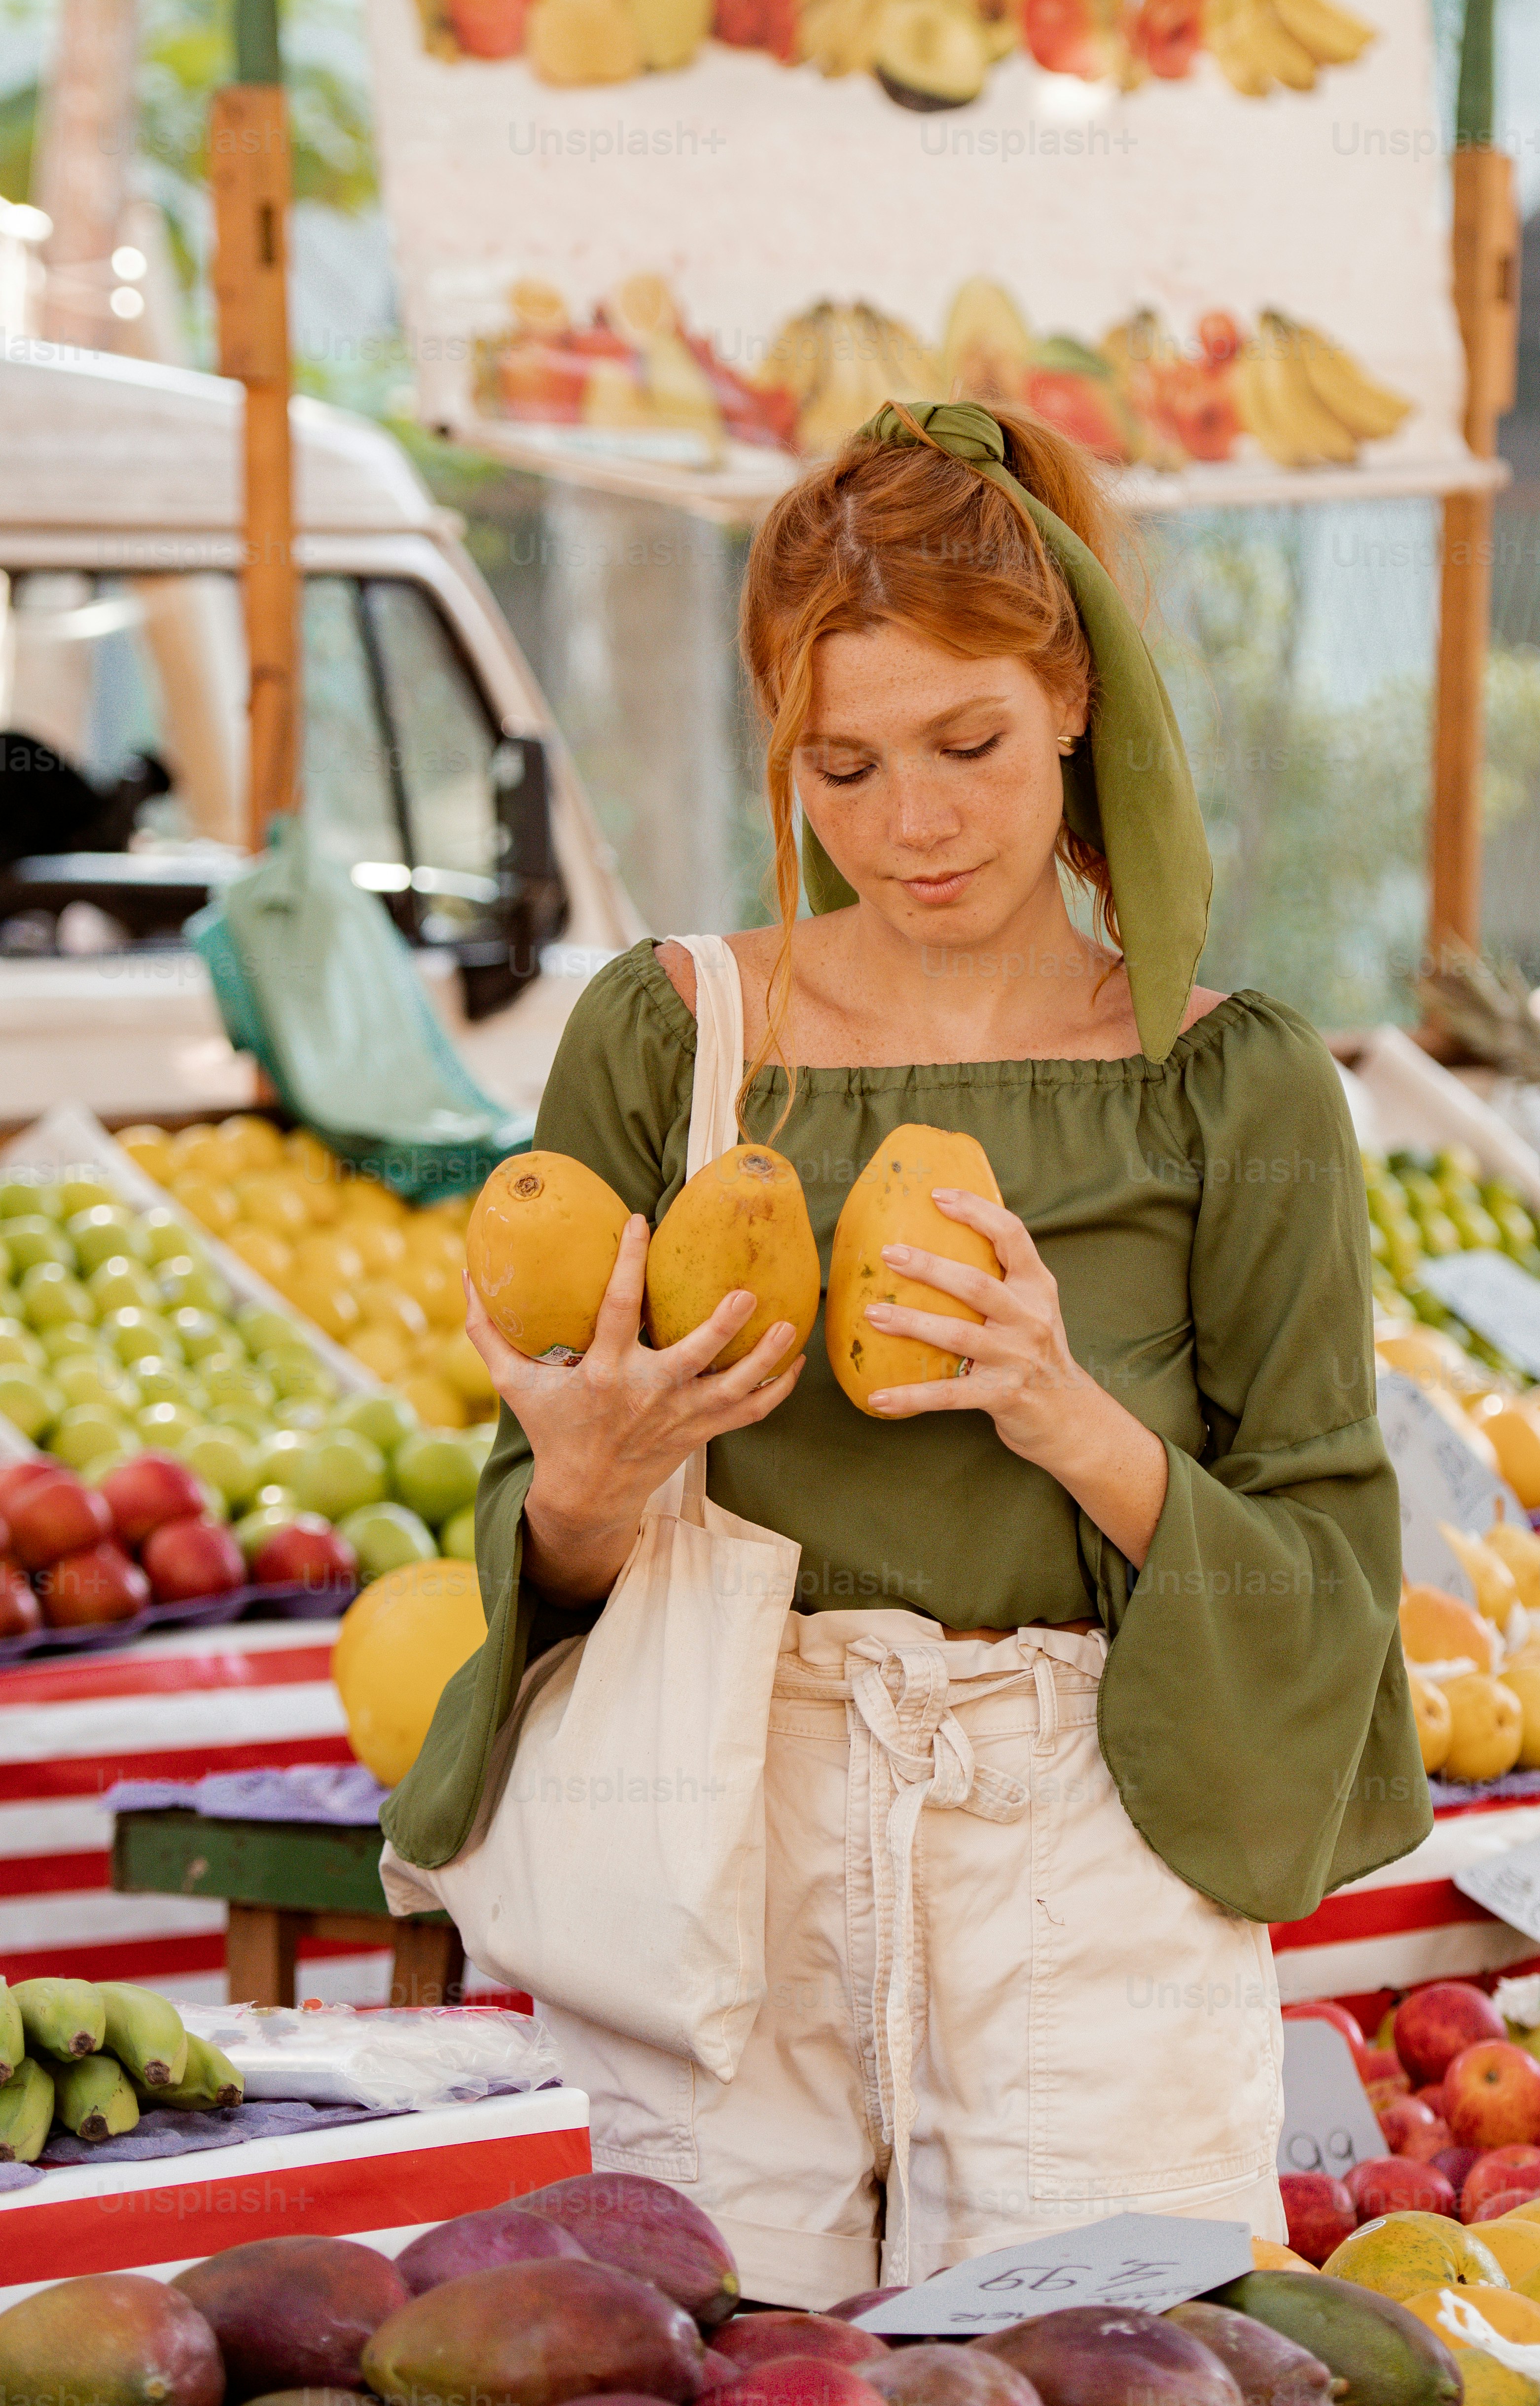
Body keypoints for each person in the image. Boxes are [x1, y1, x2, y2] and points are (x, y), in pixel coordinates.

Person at [387, 400, 1430, 2305]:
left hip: (1088, 1852)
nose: (911, 827)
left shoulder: (1229, 1082)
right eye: (841, 770)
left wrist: (1063, 1412)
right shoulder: (663, 1039)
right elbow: (541, 1548)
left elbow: (1328, 1577)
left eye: (969, 745)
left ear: (1077, 700)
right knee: (719, 2351)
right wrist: (591, 1486)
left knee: (1100, 2359)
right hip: (724, 1836)